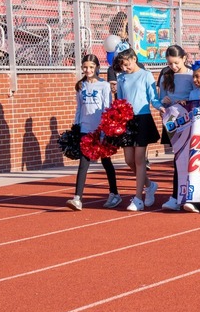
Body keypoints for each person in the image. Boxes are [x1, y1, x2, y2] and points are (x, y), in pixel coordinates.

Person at [66, 54, 121, 211]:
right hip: (85, 129)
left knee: (106, 162)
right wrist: (76, 127)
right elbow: (79, 108)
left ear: (97, 67)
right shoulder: (80, 86)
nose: (88, 70)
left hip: (99, 129)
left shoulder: (103, 86)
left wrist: (104, 130)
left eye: (91, 67)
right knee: (84, 163)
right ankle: (77, 198)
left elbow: (106, 107)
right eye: (85, 67)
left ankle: (114, 193)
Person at [113, 48, 160, 211]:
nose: (125, 68)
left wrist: (161, 107)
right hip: (126, 120)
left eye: (127, 64)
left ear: (134, 59)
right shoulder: (122, 78)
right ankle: (149, 184)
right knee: (129, 160)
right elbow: (119, 100)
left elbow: (153, 97)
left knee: (140, 159)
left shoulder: (146, 75)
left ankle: (138, 198)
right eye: (122, 66)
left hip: (143, 118)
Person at [156, 45, 195, 211]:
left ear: (184, 58)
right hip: (173, 121)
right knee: (177, 159)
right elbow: (160, 99)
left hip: (189, 120)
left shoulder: (192, 74)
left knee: (191, 159)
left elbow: (196, 95)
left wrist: (187, 102)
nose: (174, 66)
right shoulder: (166, 75)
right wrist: (161, 105)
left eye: (176, 63)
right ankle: (175, 196)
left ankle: (191, 197)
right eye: (170, 63)